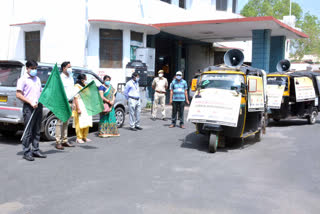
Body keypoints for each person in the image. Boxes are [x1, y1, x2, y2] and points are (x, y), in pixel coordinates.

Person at [16, 60, 46, 161]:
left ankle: (36, 150)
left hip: (38, 106)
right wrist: (30, 102)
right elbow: (18, 94)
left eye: (35, 68)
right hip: (29, 107)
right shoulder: (23, 79)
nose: (34, 70)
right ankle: (27, 151)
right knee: (28, 130)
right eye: (32, 68)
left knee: (37, 130)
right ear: (27, 68)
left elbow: (40, 92)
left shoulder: (37, 79)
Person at [55, 61, 75, 150]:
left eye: (71, 67)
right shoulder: (60, 78)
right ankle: (58, 142)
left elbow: (73, 91)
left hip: (70, 102)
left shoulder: (71, 77)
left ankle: (65, 140)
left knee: (66, 122)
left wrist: (74, 102)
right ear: (64, 68)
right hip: (62, 102)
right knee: (60, 122)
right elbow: (58, 91)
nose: (70, 68)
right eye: (69, 67)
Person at [73, 74, 93, 143]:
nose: (86, 81)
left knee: (86, 121)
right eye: (85, 79)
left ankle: (85, 136)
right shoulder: (77, 87)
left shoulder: (85, 86)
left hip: (86, 106)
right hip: (80, 105)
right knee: (79, 122)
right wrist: (78, 108)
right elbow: (75, 98)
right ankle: (79, 137)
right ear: (81, 80)